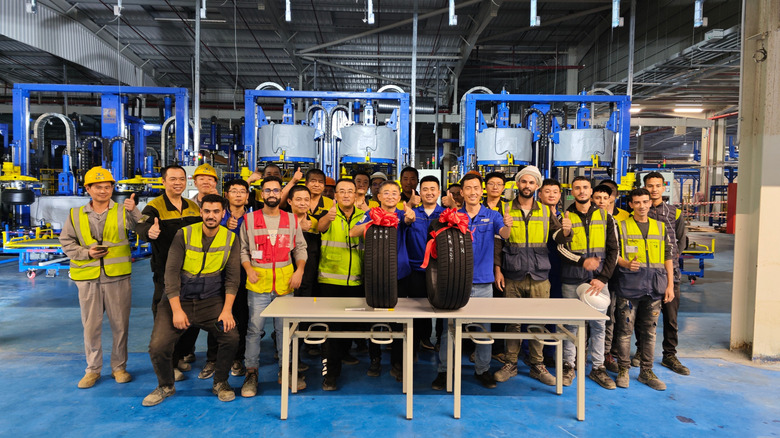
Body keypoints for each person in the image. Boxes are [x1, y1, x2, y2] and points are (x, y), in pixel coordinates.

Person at [143, 194, 241, 406]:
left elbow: (233, 279)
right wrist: (177, 310)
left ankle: (221, 382)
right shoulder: (184, 234)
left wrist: (227, 310)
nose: (211, 216)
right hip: (179, 300)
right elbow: (171, 273)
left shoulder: (231, 238)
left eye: (216, 212)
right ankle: (165, 386)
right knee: (158, 345)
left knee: (230, 337)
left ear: (223, 214)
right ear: (200, 212)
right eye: (207, 211)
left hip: (211, 301)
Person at [59, 167, 141, 389]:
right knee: (91, 326)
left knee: (120, 325)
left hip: (117, 278)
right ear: (88, 189)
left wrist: (134, 211)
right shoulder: (75, 215)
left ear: (113, 188)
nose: (104, 191)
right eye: (98, 187)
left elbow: (143, 228)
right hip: (88, 278)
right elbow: (66, 242)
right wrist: (87, 253)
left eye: (108, 186)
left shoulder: (123, 211)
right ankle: (93, 370)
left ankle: (119, 367)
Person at [432, 172, 511, 390]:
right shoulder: (452, 216)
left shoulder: (492, 215)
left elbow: (503, 234)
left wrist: (508, 225)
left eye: (476, 188)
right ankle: (444, 372)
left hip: (484, 282)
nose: (473, 192)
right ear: (462, 192)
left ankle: (483, 370)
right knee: (450, 330)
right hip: (457, 283)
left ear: (481, 190)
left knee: (483, 331)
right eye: (468, 188)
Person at [493, 166, 570, 386]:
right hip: (513, 273)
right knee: (513, 323)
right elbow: (499, 242)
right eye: (523, 182)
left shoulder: (546, 211)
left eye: (531, 183)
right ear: (518, 184)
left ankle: (537, 365)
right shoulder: (505, 208)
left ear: (537, 186)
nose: (527, 186)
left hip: (539, 275)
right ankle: (510, 363)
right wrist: (498, 270)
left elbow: (559, 239)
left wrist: (566, 230)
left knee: (538, 323)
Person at [240, 176, 308, 397]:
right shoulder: (249, 220)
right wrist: (248, 269)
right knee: (254, 331)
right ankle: (251, 373)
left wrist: (299, 271)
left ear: (281, 194)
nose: (272, 194)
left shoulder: (291, 220)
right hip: (258, 283)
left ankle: (285, 371)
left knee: (284, 331)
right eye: (267, 190)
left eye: (276, 190)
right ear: (261, 194)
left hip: (285, 284)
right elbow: (242, 249)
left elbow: (300, 247)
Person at [136, 165, 202, 379]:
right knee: (166, 318)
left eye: (181, 179)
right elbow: (140, 226)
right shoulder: (154, 207)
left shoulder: (192, 206)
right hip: (165, 273)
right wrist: (149, 232)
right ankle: (168, 364)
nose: (178, 183)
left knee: (190, 316)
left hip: (191, 272)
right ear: (163, 182)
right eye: (172, 179)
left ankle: (181, 356)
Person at [556, 176, 619, 389]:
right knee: (570, 325)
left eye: (585, 187)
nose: (581, 191)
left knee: (599, 325)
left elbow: (614, 250)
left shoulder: (606, 217)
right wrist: (584, 261)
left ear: (590, 191)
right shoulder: (563, 216)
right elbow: (560, 248)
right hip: (571, 279)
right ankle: (568, 366)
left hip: (598, 282)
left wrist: (603, 278)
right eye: (577, 188)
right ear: (571, 191)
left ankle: (598, 367)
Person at [350, 180, 415, 379]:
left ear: (399, 197)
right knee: (376, 321)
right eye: (386, 193)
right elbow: (353, 232)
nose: (390, 196)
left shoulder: (403, 214)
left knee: (399, 322)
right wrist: (373, 221)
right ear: (378, 197)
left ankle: (397, 362)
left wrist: (410, 216)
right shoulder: (370, 214)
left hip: (400, 274)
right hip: (376, 275)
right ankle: (375, 360)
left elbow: (409, 221)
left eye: (394, 193)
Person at [614, 188, 675, 391]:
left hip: (654, 287)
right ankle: (623, 369)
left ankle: (646, 372)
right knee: (624, 332)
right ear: (630, 205)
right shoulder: (621, 226)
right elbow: (614, 255)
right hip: (629, 287)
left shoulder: (660, 227)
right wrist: (625, 263)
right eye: (637, 202)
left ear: (650, 203)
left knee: (649, 333)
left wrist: (670, 285)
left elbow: (668, 257)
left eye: (645, 202)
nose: (642, 206)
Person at [316, 178, 369, 391]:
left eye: (350, 191)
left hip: (356, 281)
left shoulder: (364, 216)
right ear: (335, 195)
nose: (346, 195)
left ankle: (344, 354)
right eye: (341, 191)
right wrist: (328, 218)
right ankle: (331, 375)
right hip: (329, 281)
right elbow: (319, 228)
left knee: (349, 328)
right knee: (331, 331)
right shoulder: (328, 215)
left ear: (356, 195)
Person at [643, 172, 689, 376]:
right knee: (643, 319)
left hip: (670, 275)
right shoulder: (638, 210)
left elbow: (681, 242)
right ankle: (641, 354)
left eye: (657, 186)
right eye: (650, 185)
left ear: (663, 187)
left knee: (670, 318)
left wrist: (669, 263)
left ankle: (669, 355)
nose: (654, 189)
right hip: (645, 276)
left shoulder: (675, 213)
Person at [186, 163, 221, 379]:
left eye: (210, 179)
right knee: (189, 314)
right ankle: (186, 351)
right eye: (202, 179)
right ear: (195, 181)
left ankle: (212, 359)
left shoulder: (221, 204)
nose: (206, 182)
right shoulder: (188, 207)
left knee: (214, 318)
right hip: (190, 271)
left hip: (216, 270)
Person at [407, 175, 445, 352]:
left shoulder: (445, 215)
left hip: (440, 270)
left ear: (438, 192)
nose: (429, 193)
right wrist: (408, 207)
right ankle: (419, 340)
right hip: (416, 269)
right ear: (419, 192)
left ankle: (439, 339)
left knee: (441, 307)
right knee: (417, 308)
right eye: (425, 189)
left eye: (432, 189)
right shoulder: (412, 213)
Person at [592, 183, 626, 373]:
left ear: (612, 198)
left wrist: (605, 276)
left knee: (607, 318)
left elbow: (615, 249)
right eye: (598, 197)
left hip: (609, 276)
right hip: (588, 276)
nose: (602, 201)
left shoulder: (615, 219)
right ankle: (580, 356)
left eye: (606, 197)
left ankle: (605, 355)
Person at [221, 179, 252, 377]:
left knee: (242, 318)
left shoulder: (253, 218)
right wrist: (225, 227)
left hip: (244, 277)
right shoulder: (219, 216)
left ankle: (238, 359)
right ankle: (214, 359)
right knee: (219, 318)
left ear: (248, 196)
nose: (239, 195)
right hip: (221, 277)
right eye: (234, 191)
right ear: (227, 195)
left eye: (242, 191)